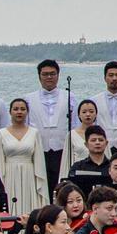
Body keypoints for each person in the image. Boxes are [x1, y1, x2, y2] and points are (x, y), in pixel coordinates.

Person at [0, 98, 49, 214]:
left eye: (23, 109)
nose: (19, 112)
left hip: (29, 175)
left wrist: (38, 178)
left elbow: (39, 160)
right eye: (16, 109)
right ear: (10, 112)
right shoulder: (1, 133)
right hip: (9, 174)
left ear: (27, 112)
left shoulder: (34, 133)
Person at [29, 60, 71, 191]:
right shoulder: (28, 98)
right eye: (45, 74)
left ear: (58, 75)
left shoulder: (69, 96)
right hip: (38, 150)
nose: (49, 77)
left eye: (52, 74)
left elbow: (75, 124)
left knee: (61, 186)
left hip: (62, 150)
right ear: (39, 76)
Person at [59, 100, 97, 183]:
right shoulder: (72, 134)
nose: (88, 114)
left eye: (91, 111)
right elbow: (66, 161)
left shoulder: (100, 134)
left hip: (97, 172)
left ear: (96, 114)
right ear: (79, 115)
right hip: (77, 173)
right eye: (84, 112)